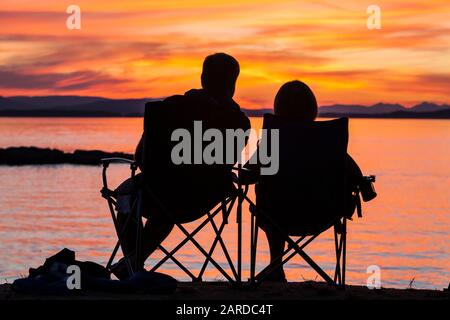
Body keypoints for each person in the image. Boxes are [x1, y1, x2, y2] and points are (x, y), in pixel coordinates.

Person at [112, 53, 250, 280]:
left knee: (127, 195)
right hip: (202, 198)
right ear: (233, 84)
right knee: (167, 210)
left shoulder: (168, 108)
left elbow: (140, 156)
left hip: (159, 192)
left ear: (203, 78)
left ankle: (131, 264)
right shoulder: (239, 122)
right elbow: (227, 163)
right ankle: (133, 264)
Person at [246, 80, 376, 282]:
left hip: (278, 214)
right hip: (323, 213)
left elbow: (250, 173)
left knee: (270, 199)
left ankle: (275, 266)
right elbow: (355, 175)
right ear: (313, 109)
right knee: (273, 201)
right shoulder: (329, 141)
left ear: (278, 108)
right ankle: (282, 269)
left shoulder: (271, 142)